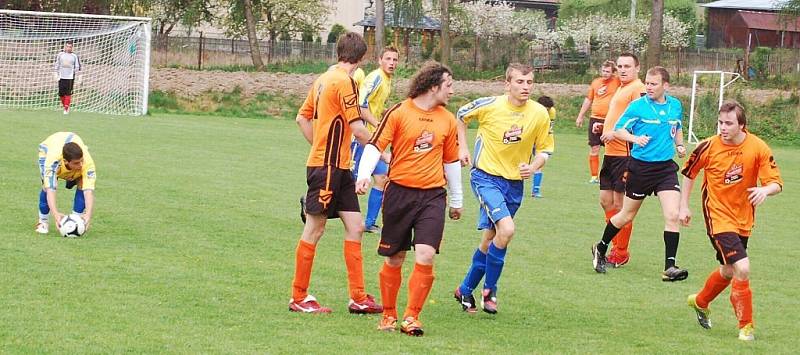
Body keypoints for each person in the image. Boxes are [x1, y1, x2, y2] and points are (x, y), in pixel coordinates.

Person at [355, 61, 462, 336]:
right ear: (434, 86)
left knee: (425, 255)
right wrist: (364, 174)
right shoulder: (399, 112)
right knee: (395, 257)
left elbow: (451, 161)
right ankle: (389, 315)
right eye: (449, 85)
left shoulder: (447, 119)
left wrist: (457, 200)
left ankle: (412, 317)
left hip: (433, 196)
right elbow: (375, 145)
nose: (452, 90)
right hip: (399, 193)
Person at [290, 32, 382, 315]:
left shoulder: (322, 79)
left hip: (341, 168)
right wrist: (385, 150)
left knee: (355, 227)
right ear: (362, 58)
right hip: (328, 168)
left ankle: (357, 297)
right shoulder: (345, 81)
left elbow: (301, 117)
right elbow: (357, 128)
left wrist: (318, 145)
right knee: (315, 228)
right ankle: (299, 296)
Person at [452, 63, 554, 314]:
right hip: (485, 177)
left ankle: (465, 290)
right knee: (507, 229)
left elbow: (545, 149)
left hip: (514, 184)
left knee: (491, 239)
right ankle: (490, 291)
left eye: (529, 82)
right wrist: (462, 148)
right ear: (507, 84)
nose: (525, 87)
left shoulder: (540, 113)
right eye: (520, 82)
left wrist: (534, 166)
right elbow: (461, 115)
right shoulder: (490, 105)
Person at [681, 100, 783, 341]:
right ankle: (746, 326)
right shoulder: (708, 146)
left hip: (743, 218)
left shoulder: (758, 147)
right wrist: (684, 205)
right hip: (717, 215)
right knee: (743, 267)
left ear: (742, 126)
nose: (723, 128)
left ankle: (700, 301)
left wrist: (764, 191)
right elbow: (689, 173)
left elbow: (776, 183)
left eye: (728, 123)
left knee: (728, 270)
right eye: (720, 123)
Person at [590, 66, 688, 281]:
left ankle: (670, 267)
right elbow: (618, 129)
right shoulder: (637, 106)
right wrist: (635, 139)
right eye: (647, 83)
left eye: (654, 84)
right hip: (640, 169)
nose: (649, 87)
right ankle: (601, 247)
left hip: (665, 169)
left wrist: (680, 146)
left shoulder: (675, 105)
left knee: (672, 215)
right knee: (626, 215)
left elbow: (677, 127)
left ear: (666, 86)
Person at [596, 53, 646, 268]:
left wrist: (614, 133)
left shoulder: (638, 88)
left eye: (627, 66)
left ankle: (620, 252)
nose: (623, 70)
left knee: (620, 205)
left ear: (637, 68)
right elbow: (619, 117)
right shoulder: (621, 87)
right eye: (620, 66)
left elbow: (642, 120)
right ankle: (615, 246)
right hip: (610, 153)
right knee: (606, 201)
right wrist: (604, 127)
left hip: (625, 154)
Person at [352, 46, 400, 233]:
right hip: (362, 138)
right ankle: (311, 202)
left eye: (395, 60)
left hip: (373, 139)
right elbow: (360, 106)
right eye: (388, 59)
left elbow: (372, 106)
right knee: (348, 182)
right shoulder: (376, 77)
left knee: (382, 177)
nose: (391, 63)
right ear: (380, 60)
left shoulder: (387, 80)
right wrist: (378, 124)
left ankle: (369, 223)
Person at [35, 132, 96, 234]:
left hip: (71, 144)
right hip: (47, 150)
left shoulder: (87, 163)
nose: (81, 165)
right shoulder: (52, 161)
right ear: (65, 161)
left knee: (82, 181)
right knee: (46, 186)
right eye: (77, 163)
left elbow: (88, 191)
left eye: (81, 161)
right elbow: (51, 190)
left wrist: (88, 215)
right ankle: (43, 222)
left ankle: (77, 220)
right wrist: (56, 215)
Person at [576, 61, 621, 184]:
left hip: (610, 120)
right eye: (603, 71)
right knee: (594, 147)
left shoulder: (617, 81)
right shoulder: (596, 82)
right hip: (595, 118)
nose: (605, 73)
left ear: (613, 72)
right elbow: (588, 99)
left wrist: (616, 68)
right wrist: (580, 116)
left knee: (610, 148)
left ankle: (611, 175)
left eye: (608, 71)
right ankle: (594, 176)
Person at [532, 95, 556, 198]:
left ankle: (536, 190)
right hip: (529, 140)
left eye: (548, 109)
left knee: (539, 164)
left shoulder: (552, 112)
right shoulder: (531, 111)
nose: (546, 111)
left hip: (545, 142)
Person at [54, 42, 81, 115]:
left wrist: (79, 77)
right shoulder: (60, 55)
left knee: (68, 93)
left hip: (70, 77)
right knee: (61, 94)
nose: (68, 48)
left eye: (70, 47)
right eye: (67, 46)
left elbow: (77, 67)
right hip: (61, 76)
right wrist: (55, 73)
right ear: (65, 47)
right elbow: (57, 64)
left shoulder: (74, 56)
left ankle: (66, 109)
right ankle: (66, 106)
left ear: (72, 48)